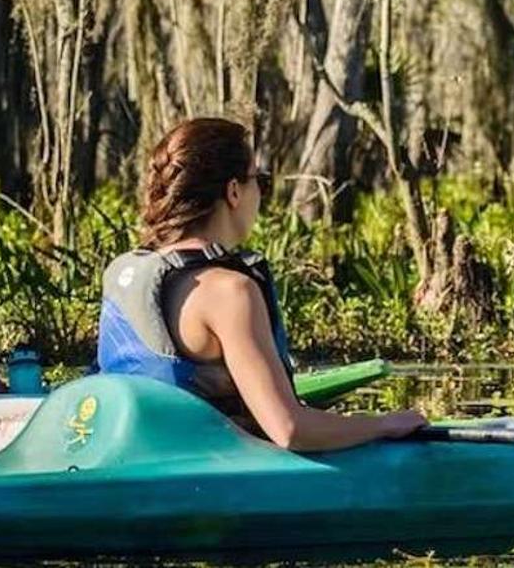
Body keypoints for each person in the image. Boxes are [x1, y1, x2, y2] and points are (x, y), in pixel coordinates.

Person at [97, 117, 426, 451]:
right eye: (260, 181)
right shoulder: (229, 291)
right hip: (206, 469)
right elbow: (289, 430)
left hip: (127, 455)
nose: (261, 194)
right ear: (234, 191)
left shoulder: (123, 273)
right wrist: (382, 425)